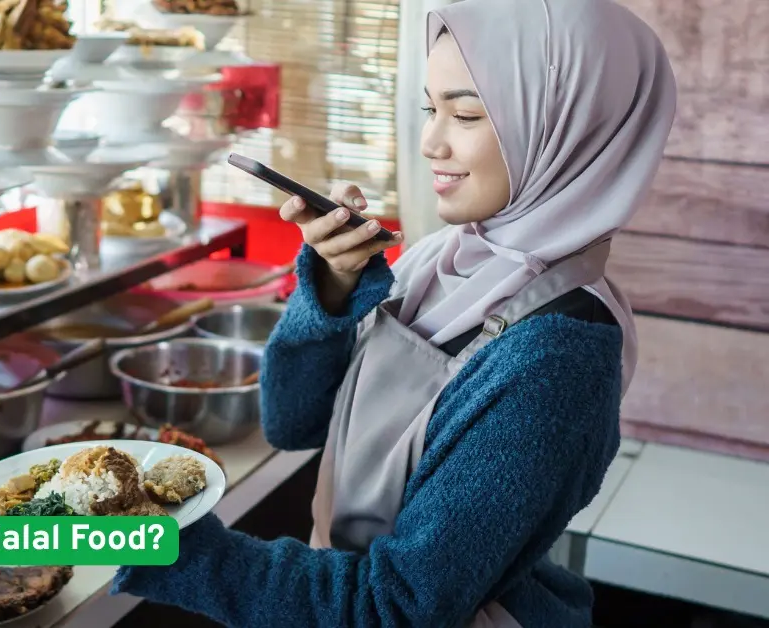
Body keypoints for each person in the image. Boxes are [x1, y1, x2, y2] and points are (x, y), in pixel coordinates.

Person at [110, 0, 677, 625]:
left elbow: (395, 609)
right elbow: (292, 423)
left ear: (570, 127)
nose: (431, 141)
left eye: (466, 114)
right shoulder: (439, 264)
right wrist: (333, 287)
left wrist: (148, 542)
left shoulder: (556, 357)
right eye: (431, 109)